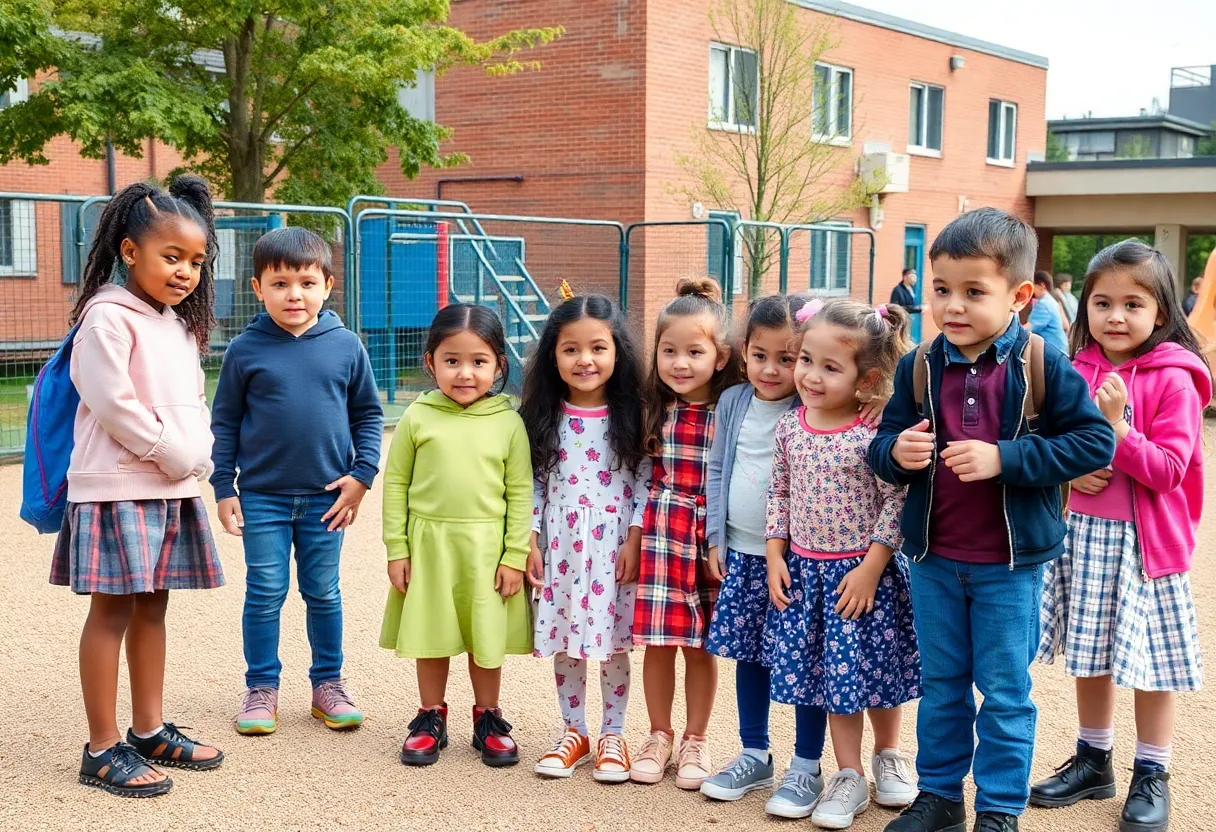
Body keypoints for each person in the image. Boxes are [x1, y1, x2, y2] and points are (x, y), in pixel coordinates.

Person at [868, 207, 1116, 832]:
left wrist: (1005, 458)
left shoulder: (1041, 363)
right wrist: (896, 453)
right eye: (941, 289)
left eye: (973, 292)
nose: (952, 306)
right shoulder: (918, 365)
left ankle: (1000, 809)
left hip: (1009, 567)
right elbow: (883, 444)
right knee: (942, 686)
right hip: (933, 561)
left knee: (1004, 693)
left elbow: (1093, 443)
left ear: (1019, 295)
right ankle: (940, 797)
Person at [52, 176, 225, 797]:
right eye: (172, 256)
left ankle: (148, 729)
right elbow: (114, 406)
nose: (186, 272)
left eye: (197, 261)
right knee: (112, 612)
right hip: (117, 488)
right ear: (130, 251)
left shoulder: (177, 325)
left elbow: (194, 400)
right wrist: (175, 453)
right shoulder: (105, 318)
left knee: (154, 605)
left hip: (170, 485)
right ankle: (101, 749)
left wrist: (200, 453)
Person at [1032, 241, 1210, 832]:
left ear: (1160, 311)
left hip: (1144, 547)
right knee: (1091, 653)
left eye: (1133, 304)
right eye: (1102, 302)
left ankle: (1152, 770)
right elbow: (1053, 443)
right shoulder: (1075, 369)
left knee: (1151, 663)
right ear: (1084, 307)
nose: (1115, 316)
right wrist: (1070, 468)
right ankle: (1093, 760)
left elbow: (1169, 470)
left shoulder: (1175, 379)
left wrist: (1116, 430)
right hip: (1084, 535)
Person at [210, 227, 383, 736]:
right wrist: (224, 487)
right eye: (280, 283)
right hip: (262, 497)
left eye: (307, 283)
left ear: (327, 285)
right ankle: (261, 688)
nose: (294, 295)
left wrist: (362, 477)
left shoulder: (347, 347)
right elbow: (225, 422)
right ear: (257, 287)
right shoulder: (244, 350)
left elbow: (368, 416)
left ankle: (328, 685)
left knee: (324, 592)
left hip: (327, 498)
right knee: (265, 592)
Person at [765, 299, 919, 830]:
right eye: (806, 360)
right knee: (837, 679)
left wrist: (872, 567)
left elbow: (896, 500)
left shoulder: (873, 433)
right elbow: (779, 492)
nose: (811, 375)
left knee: (878, 671)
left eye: (831, 367)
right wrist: (774, 554)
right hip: (809, 576)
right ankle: (847, 774)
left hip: (864, 575)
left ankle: (889, 754)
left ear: (865, 378)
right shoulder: (789, 428)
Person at [380, 304, 533, 767]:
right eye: (452, 360)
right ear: (431, 362)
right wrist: (397, 549)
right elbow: (396, 484)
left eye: (478, 361)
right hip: (430, 548)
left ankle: (488, 717)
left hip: (487, 550)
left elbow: (521, 491)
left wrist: (514, 555)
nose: (465, 373)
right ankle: (431, 716)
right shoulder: (417, 417)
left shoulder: (509, 421)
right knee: (433, 632)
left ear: (499, 365)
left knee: (485, 636)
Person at [701, 293, 830, 818]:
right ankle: (755, 754)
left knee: (805, 661)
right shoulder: (734, 401)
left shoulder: (813, 406)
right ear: (743, 352)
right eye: (760, 356)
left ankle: (807, 765)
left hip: (799, 560)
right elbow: (717, 468)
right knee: (748, 657)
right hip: (742, 552)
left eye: (787, 358)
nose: (771, 369)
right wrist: (716, 537)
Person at [520, 293, 648, 783]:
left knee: (613, 643)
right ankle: (574, 731)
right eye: (570, 349)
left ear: (618, 352)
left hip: (614, 546)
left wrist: (634, 537)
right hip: (562, 546)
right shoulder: (540, 414)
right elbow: (531, 482)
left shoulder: (634, 413)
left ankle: (614, 733)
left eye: (597, 348)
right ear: (553, 354)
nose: (584, 360)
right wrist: (530, 538)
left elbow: (645, 480)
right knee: (567, 640)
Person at [629, 277, 742, 790]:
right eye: (668, 350)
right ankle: (658, 735)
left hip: (711, 535)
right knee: (659, 641)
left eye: (694, 352)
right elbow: (641, 477)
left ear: (720, 357)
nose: (679, 363)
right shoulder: (652, 407)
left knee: (700, 646)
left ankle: (696, 738)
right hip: (663, 532)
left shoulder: (734, 408)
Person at [1028, 271, 1070, 354]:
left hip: (1053, 350)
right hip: (1060, 348)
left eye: (1033, 286)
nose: (1032, 291)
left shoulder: (1044, 303)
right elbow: (1065, 325)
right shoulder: (1053, 299)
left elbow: (1030, 328)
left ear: (1042, 285)